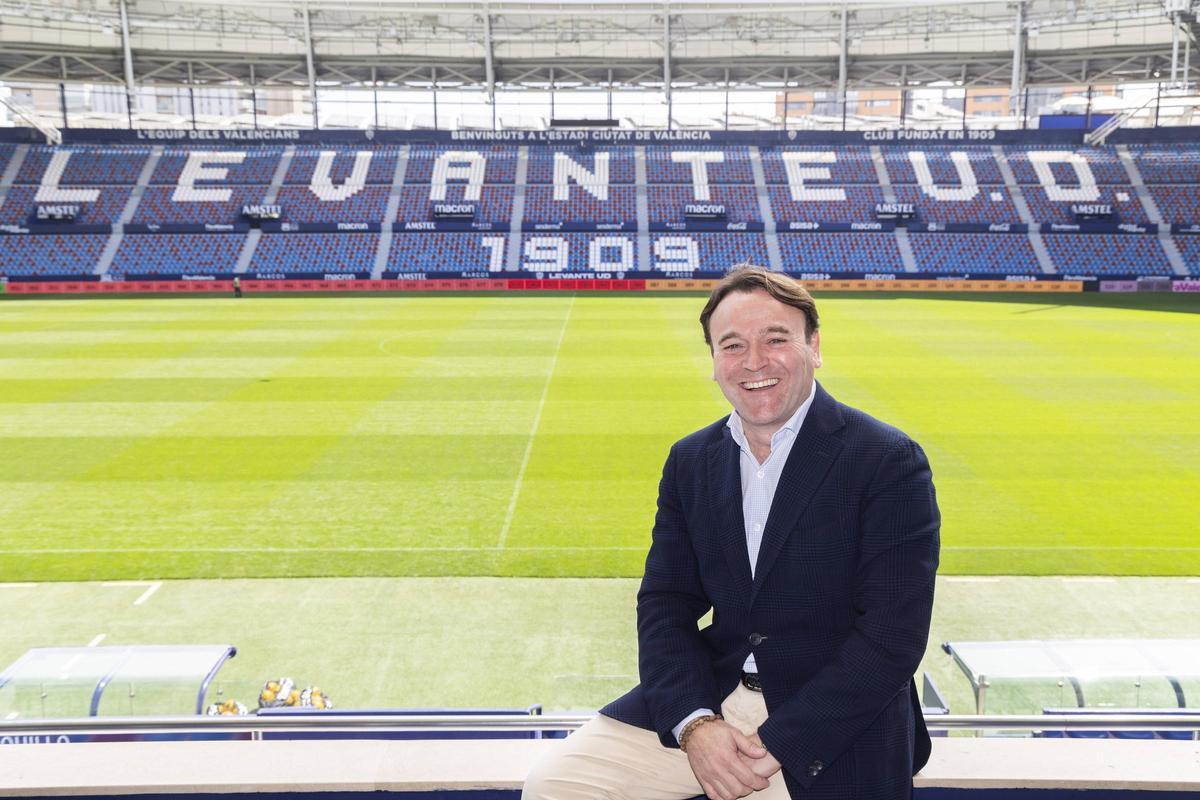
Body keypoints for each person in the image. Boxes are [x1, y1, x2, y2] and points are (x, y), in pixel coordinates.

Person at [523, 266, 940, 800]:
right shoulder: (691, 460)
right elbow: (665, 603)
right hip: (716, 695)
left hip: (831, 718)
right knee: (555, 786)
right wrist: (695, 725)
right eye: (733, 345)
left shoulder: (886, 460)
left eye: (775, 340)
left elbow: (892, 637)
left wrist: (781, 742)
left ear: (814, 346)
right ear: (714, 362)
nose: (755, 362)